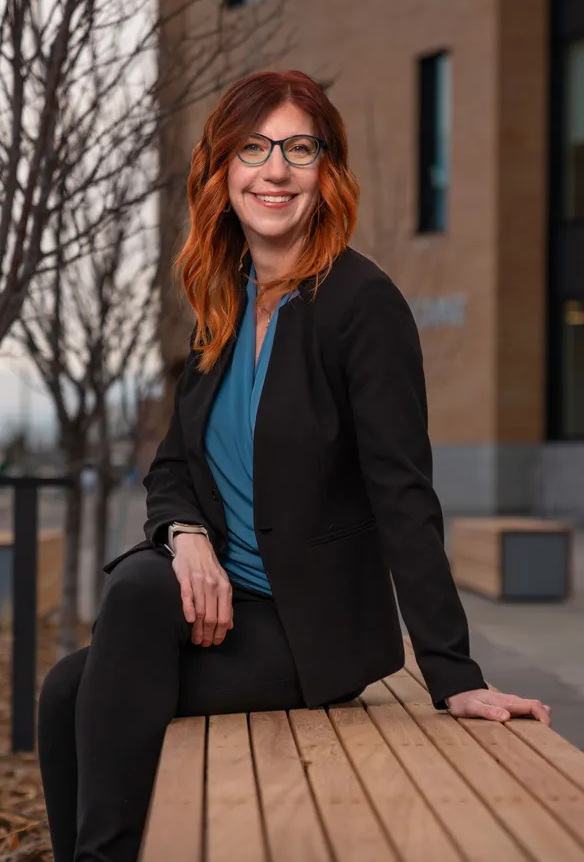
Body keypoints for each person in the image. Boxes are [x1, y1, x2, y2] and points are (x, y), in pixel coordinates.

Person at [38, 69, 552, 862]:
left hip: (309, 630)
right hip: (221, 605)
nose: (274, 170)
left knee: (133, 598)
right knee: (66, 685)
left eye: (297, 148)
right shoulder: (224, 297)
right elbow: (172, 461)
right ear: (223, 172)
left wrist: (454, 672)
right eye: (253, 148)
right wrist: (188, 534)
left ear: (326, 171)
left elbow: (404, 493)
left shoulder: (361, 305)